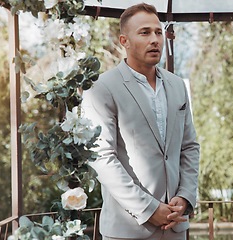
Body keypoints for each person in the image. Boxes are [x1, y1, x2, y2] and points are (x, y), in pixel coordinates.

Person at [81, 3, 200, 240]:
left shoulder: (177, 85)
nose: (155, 39)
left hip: (176, 227)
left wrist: (185, 197)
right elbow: (102, 157)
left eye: (158, 32)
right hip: (128, 229)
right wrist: (149, 208)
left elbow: (189, 146)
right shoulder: (102, 88)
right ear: (124, 41)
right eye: (144, 32)